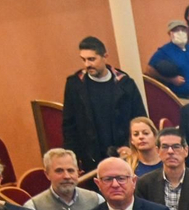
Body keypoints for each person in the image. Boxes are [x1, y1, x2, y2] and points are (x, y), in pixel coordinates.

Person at [61, 36, 145, 172]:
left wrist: (129, 146)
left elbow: (139, 118)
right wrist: (73, 158)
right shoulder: (75, 85)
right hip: (91, 157)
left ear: (105, 56)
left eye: (92, 59)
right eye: (83, 59)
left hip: (124, 154)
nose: (87, 64)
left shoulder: (125, 83)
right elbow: (69, 125)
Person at [149, 19, 189, 100]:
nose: (180, 32)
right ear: (170, 33)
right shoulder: (164, 51)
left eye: (183, 30)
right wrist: (170, 80)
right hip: (180, 98)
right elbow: (149, 70)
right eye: (176, 30)